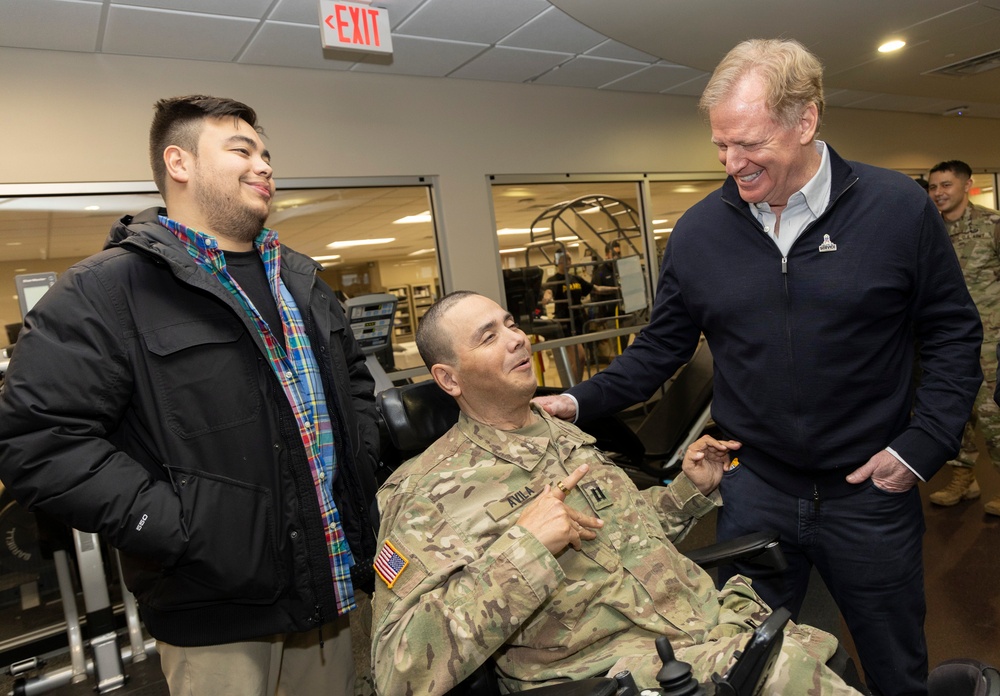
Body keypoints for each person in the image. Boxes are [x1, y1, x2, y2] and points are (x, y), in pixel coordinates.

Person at [535, 39, 982, 696]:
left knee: (895, 666)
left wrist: (921, 447)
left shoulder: (897, 209)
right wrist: (572, 403)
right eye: (720, 146)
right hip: (756, 490)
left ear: (806, 120)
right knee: (741, 665)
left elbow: (953, 332)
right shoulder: (698, 232)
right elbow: (658, 352)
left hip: (870, 492)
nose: (731, 163)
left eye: (747, 143)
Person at [0, 95, 381, 696]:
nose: (264, 166)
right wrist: (173, 525)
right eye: (242, 150)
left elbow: (355, 384)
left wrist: (361, 453)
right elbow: (39, 441)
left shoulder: (301, 279)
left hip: (330, 591)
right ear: (179, 163)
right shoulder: (105, 291)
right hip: (215, 614)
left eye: (266, 154)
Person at [370, 290, 863, 696]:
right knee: (795, 676)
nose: (518, 340)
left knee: (822, 652)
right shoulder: (424, 494)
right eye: (489, 336)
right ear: (448, 378)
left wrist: (689, 490)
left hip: (700, 624)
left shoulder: (562, 434)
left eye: (511, 324)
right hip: (613, 669)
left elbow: (625, 535)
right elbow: (398, 670)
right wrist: (527, 549)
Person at [927, 160, 1000, 515]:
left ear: (967, 185)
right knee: (955, 413)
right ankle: (964, 479)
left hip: (991, 340)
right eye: (933, 187)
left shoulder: (993, 225)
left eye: (946, 185)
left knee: (993, 414)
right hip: (946, 341)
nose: (939, 193)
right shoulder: (928, 230)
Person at [546, 248, 614, 382]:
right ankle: (573, 387)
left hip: (578, 322)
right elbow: (548, 291)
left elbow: (596, 289)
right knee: (580, 357)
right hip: (565, 323)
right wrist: (546, 297)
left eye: (569, 259)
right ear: (557, 262)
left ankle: (573, 386)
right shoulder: (554, 279)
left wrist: (617, 289)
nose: (567, 262)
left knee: (578, 360)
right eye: (564, 260)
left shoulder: (575, 279)